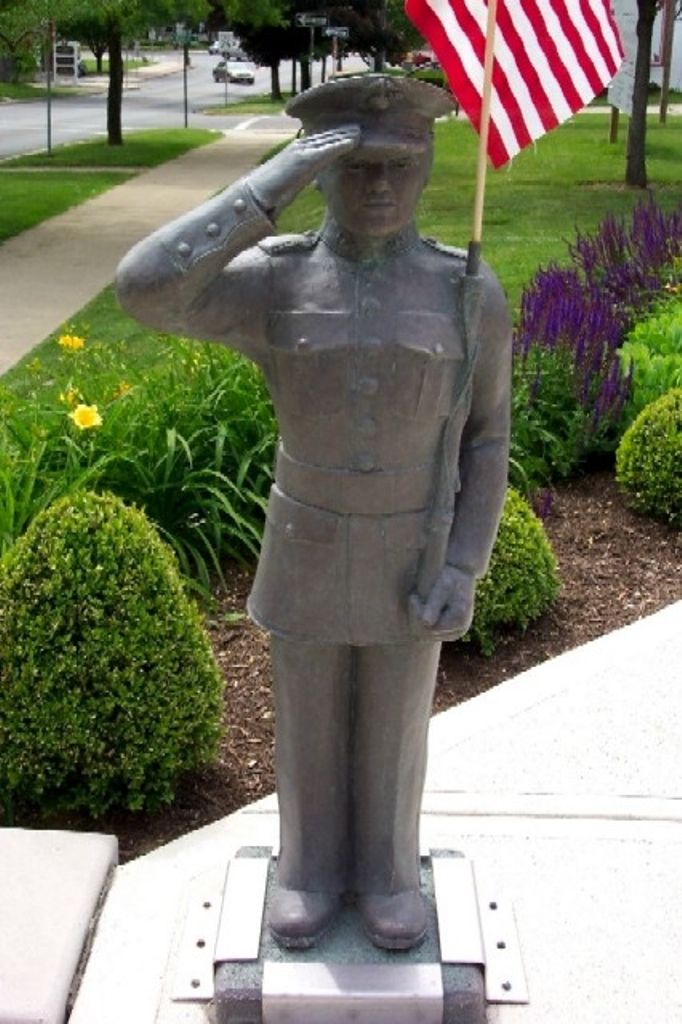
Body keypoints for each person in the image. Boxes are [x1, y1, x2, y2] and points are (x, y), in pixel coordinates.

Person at [116, 74, 512, 952]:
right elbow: (144, 289)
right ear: (318, 171)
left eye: (398, 167)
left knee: (396, 721)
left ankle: (385, 871)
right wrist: (266, 187)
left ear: (429, 167)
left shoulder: (465, 292)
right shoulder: (272, 282)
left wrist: (464, 565)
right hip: (306, 538)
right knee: (305, 713)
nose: (379, 186)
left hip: (414, 543)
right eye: (354, 166)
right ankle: (307, 866)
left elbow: (487, 440)